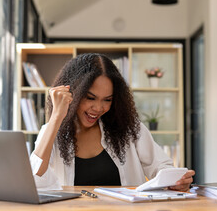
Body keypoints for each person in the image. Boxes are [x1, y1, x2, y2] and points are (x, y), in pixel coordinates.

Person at [30, 53, 195, 191]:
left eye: (107, 100)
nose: (98, 108)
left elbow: (161, 167)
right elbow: (34, 180)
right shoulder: (53, 131)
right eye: (90, 98)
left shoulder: (130, 129)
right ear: (72, 92)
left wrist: (177, 182)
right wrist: (57, 116)